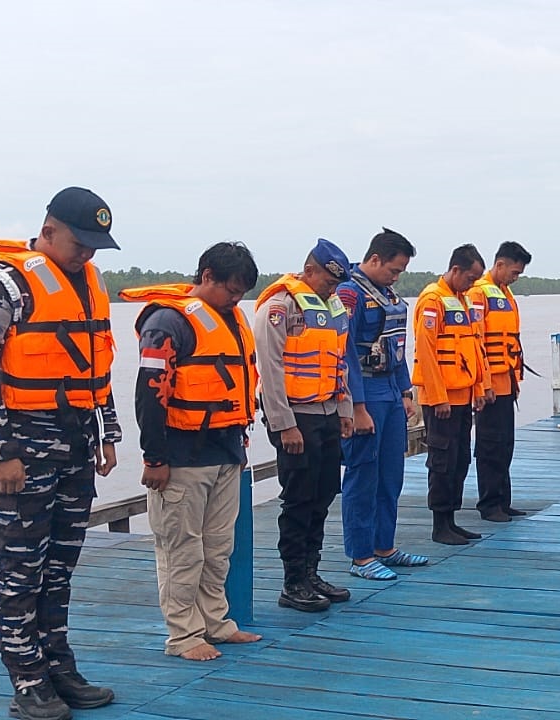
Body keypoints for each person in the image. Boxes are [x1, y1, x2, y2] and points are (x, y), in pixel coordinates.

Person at [0, 187, 122, 719]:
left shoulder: (89, 282)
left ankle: (58, 664)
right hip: (23, 448)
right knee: (22, 567)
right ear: (48, 230)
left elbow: (96, 361)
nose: (88, 255)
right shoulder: (2, 280)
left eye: (97, 246)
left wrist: (108, 433)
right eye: (80, 243)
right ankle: (26, 677)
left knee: (61, 565)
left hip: (77, 443)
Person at [122, 242, 265, 659]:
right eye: (230, 290)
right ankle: (183, 636)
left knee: (218, 547)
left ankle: (216, 623)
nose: (236, 300)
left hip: (226, 451)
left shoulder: (233, 319)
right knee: (181, 549)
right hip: (182, 457)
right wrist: (155, 458)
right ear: (206, 277)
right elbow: (149, 395)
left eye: (241, 293)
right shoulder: (168, 323)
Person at [250, 239, 358, 611]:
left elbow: (339, 362)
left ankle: (312, 572)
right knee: (298, 499)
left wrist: (345, 409)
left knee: (323, 495)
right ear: (309, 270)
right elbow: (270, 369)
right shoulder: (280, 307)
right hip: (296, 417)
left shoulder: (332, 308)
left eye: (336, 284)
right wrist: (284, 425)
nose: (333, 289)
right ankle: (292, 580)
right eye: (328, 282)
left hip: (327, 412)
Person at [337, 229, 429, 581]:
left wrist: (406, 392)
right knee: (363, 472)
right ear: (374, 260)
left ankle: (384, 546)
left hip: (390, 389)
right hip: (365, 391)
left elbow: (396, 345)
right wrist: (356, 407)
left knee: (391, 473)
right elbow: (344, 353)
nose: (396, 277)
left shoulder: (387, 295)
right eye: (393, 270)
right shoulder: (350, 293)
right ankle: (360, 556)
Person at [412, 244, 490, 545]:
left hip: (463, 396)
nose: (472, 284)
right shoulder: (433, 301)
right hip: (441, 400)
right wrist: (438, 396)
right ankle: (439, 523)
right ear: (455, 270)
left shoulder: (463, 301)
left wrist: (480, 388)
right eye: (470, 278)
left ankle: (452, 519)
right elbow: (427, 352)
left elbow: (475, 346)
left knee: (459, 461)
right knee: (442, 461)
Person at [466, 241, 532, 522]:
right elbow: (476, 340)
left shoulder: (505, 293)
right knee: (490, 444)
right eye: (514, 272)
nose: (515, 278)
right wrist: (484, 383)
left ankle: (503, 501)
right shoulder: (479, 293)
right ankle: (489, 503)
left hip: (507, 382)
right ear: (500, 264)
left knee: (505, 444)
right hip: (490, 385)